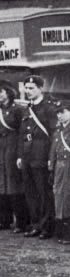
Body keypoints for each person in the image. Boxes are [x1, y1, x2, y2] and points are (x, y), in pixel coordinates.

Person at [17, 74, 56, 239]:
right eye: (26, 88)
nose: (28, 91)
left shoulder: (49, 108)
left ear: (41, 89)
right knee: (30, 193)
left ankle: (46, 226)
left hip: (41, 156)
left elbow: (54, 134)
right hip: (27, 156)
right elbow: (21, 134)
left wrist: (50, 157)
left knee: (43, 193)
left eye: (32, 88)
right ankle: (35, 225)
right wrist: (20, 155)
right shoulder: (28, 108)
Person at [0, 79, 27, 232]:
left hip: (12, 146)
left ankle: (21, 222)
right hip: (1, 148)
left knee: (14, 184)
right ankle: (4, 219)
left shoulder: (17, 109)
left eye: (1, 92)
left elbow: (21, 132)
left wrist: (19, 154)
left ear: (8, 92)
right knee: (2, 185)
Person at [48, 101, 70, 244]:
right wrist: (51, 166)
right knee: (59, 196)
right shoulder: (58, 130)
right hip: (59, 168)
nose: (60, 115)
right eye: (58, 112)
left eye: (63, 111)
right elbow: (53, 149)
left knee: (67, 197)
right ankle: (61, 231)